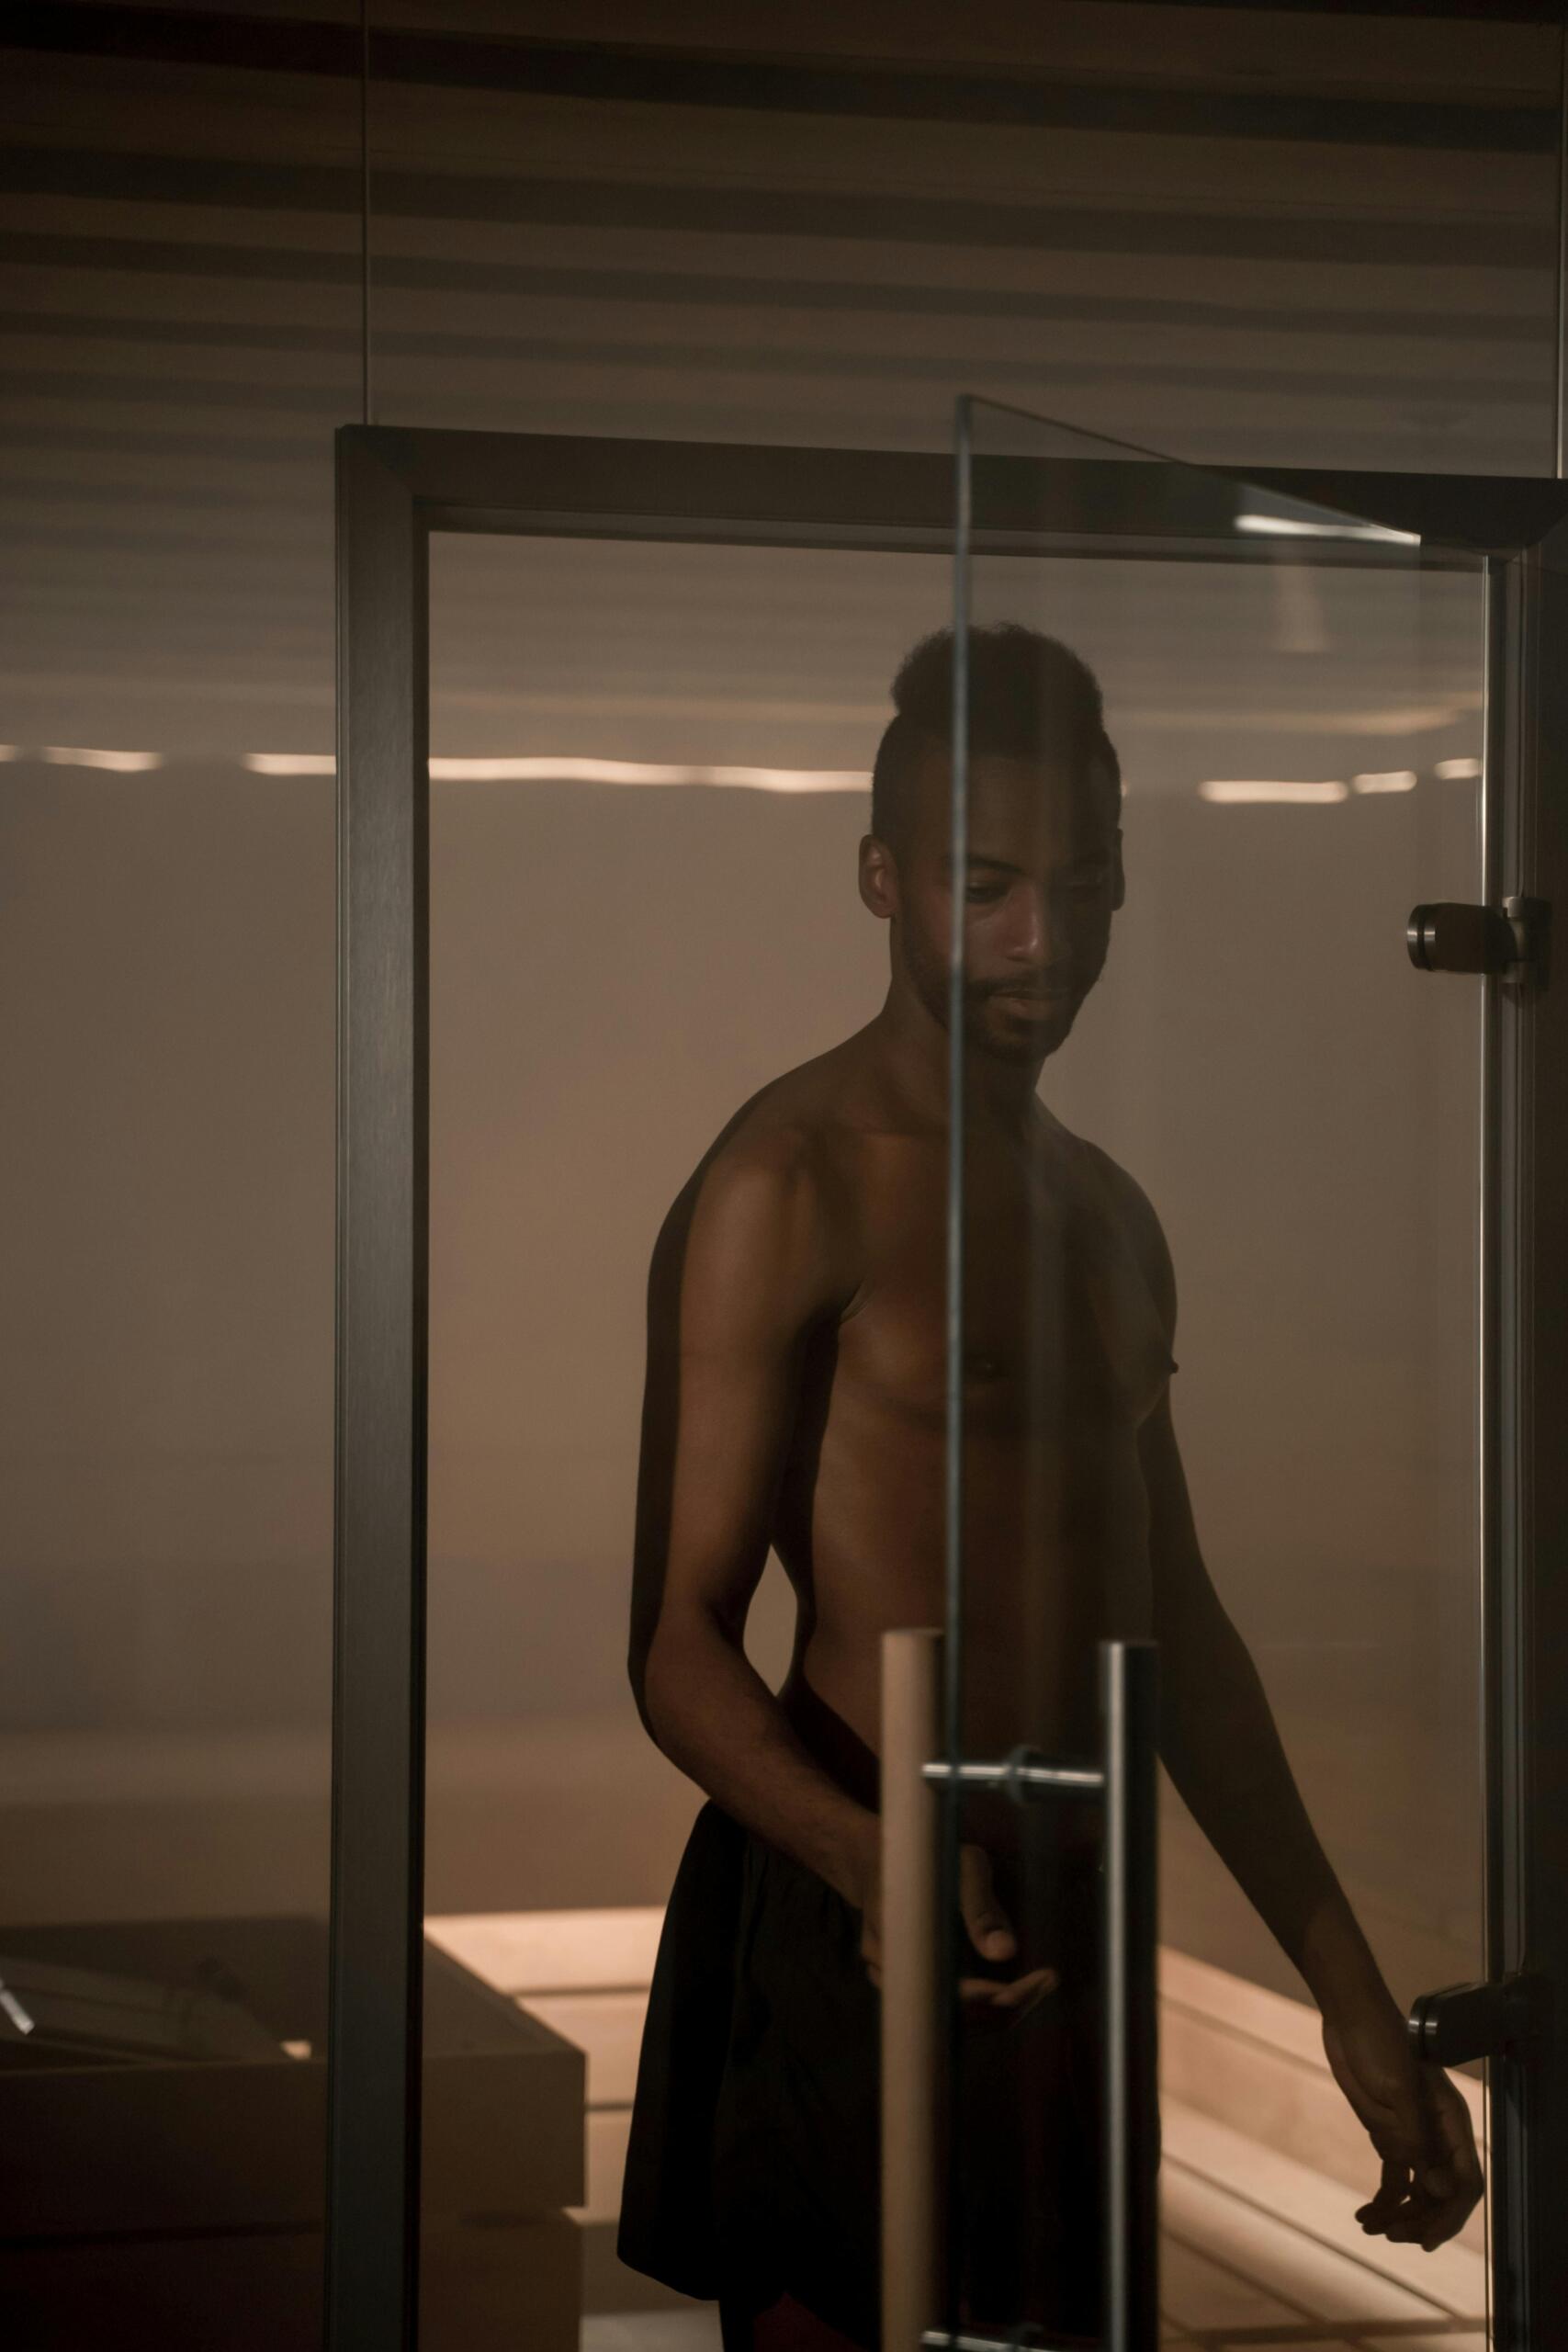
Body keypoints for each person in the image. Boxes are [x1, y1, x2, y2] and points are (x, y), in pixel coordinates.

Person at [617, 625, 1483, 2350]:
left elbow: (1186, 1643)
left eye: (1078, 886)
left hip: (1076, 1914)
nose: (1042, 939)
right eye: (986, 885)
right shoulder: (788, 1180)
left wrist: (1350, 1991)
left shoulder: (1106, 1212)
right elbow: (675, 1646)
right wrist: (872, 1862)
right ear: (881, 878)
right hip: (853, 1905)